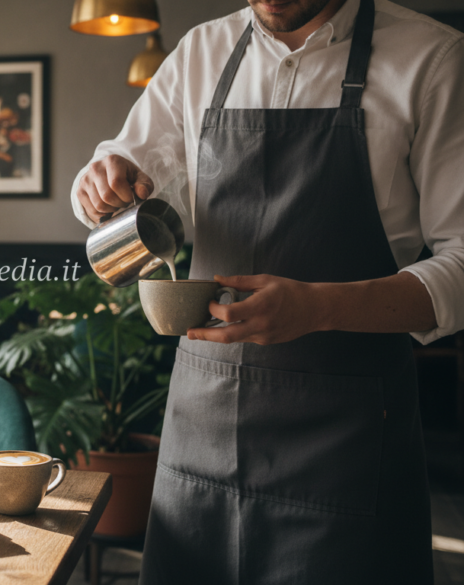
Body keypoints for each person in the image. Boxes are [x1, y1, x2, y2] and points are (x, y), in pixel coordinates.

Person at [70, 0, 463, 583]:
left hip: (347, 444)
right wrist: (99, 180)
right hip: (201, 430)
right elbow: (121, 163)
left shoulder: (431, 57)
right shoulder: (202, 50)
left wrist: (320, 307)